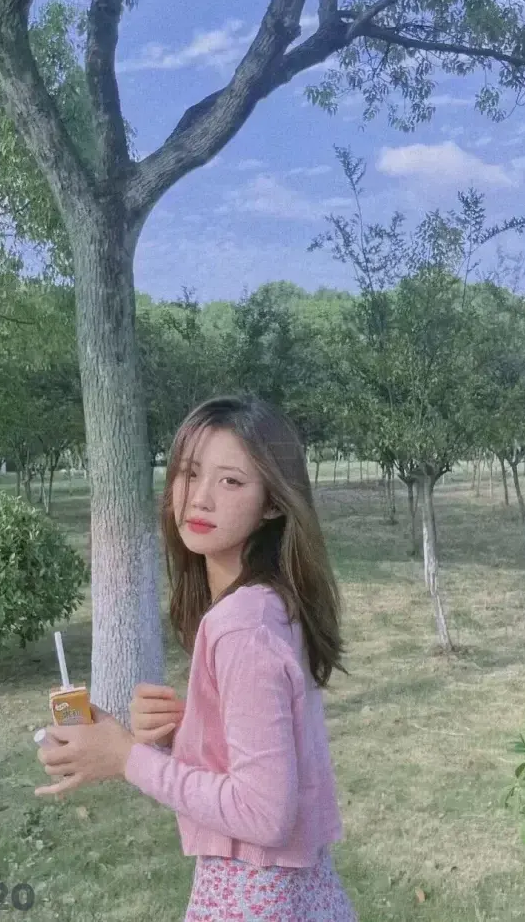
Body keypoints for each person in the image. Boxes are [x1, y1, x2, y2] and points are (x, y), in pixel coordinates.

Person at [35, 394, 358, 921]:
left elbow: (264, 813)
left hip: (254, 901)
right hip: (299, 896)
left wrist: (127, 759)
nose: (200, 498)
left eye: (231, 481)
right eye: (188, 473)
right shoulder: (271, 604)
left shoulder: (241, 625)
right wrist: (184, 733)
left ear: (273, 503)